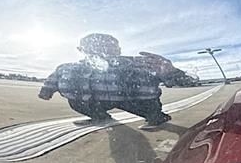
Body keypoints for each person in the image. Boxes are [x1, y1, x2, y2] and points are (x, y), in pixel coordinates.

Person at [38, 33, 172, 127]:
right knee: (76, 102)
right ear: (82, 50)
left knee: (147, 105)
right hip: (97, 100)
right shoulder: (69, 67)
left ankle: (156, 117)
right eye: (98, 46)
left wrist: (170, 72)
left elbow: (171, 78)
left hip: (133, 99)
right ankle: (101, 117)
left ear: (118, 50)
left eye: (112, 46)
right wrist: (46, 91)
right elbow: (55, 77)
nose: (105, 50)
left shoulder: (136, 63)